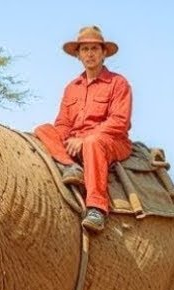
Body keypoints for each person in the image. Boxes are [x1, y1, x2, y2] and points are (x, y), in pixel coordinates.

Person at [34, 26, 132, 233]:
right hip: (76, 140)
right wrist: (64, 138)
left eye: (94, 49)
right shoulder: (72, 87)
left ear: (104, 53)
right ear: (78, 55)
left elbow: (119, 121)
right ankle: (71, 166)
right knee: (43, 130)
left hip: (110, 140)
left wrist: (84, 138)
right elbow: (63, 122)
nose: (90, 54)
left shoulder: (118, 83)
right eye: (85, 49)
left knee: (92, 143)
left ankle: (96, 207)